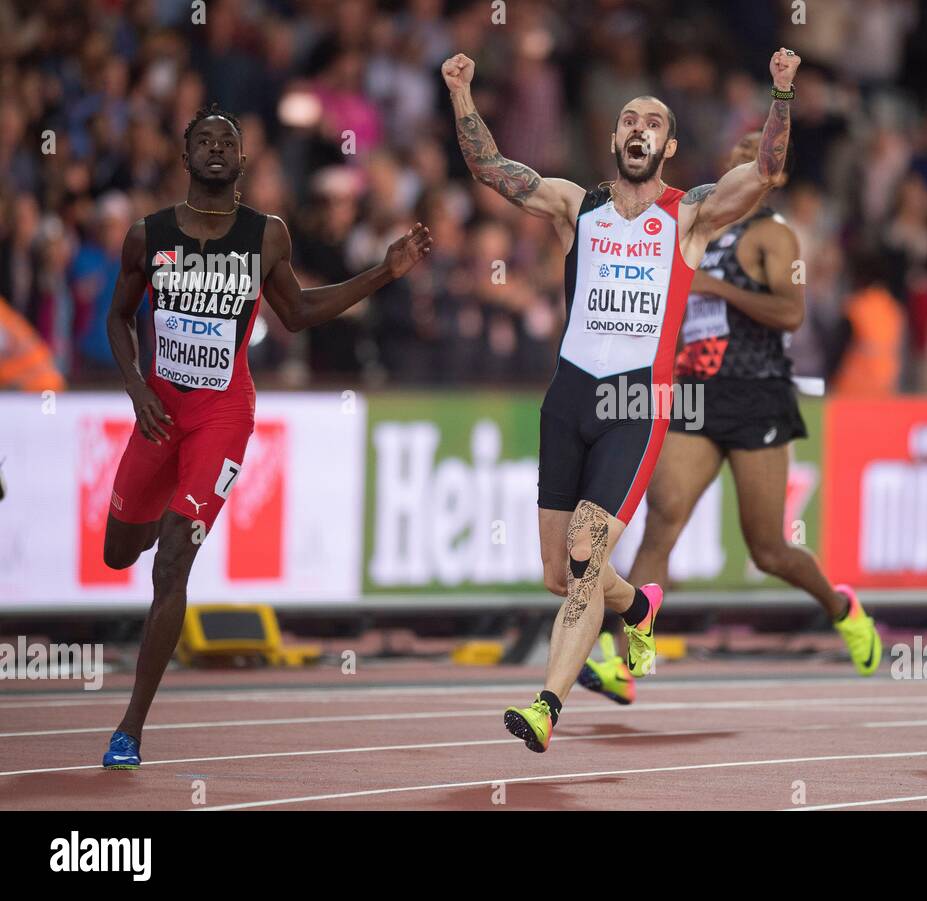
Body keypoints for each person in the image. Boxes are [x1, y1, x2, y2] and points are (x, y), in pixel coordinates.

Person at [443, 48, 800, 752]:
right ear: (614, 140)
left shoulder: (689, 216)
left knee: (585, 552)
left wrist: (780, 93)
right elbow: (491, 169)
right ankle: (638, 606)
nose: (638, 127)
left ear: (667, 146)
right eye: (627, 119)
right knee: (558, 572)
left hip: (635, 402)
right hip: (567, 395)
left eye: (653, 122)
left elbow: (763, 172)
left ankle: (547, 704)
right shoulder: (579, 205)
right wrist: (460, 92)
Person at [100, 104, 432, 769]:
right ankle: (156, 514)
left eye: (229, 140)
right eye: (205, 140)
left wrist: (384, 273)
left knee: (172, 563)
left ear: (244, 162)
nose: (217, 149)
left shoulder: (266, 235)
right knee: (118, 551)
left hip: (223, 417)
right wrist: (137, 390)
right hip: (160, 410)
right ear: (186, 154)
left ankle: (129, 728)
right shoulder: (148, 235)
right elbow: (118, 316)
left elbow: (299, 312)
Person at [579, 132, 881, 707]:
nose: (744, 157)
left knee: (768, 548)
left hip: (756, 396)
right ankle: (626, 663)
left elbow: (791, 314)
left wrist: (713, 285)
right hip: (694, 394)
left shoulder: (776, 235)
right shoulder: (696, 228)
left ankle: (842, 607)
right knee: (663, 520)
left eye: (758, 151)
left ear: (776, 174)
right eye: (738, 150)